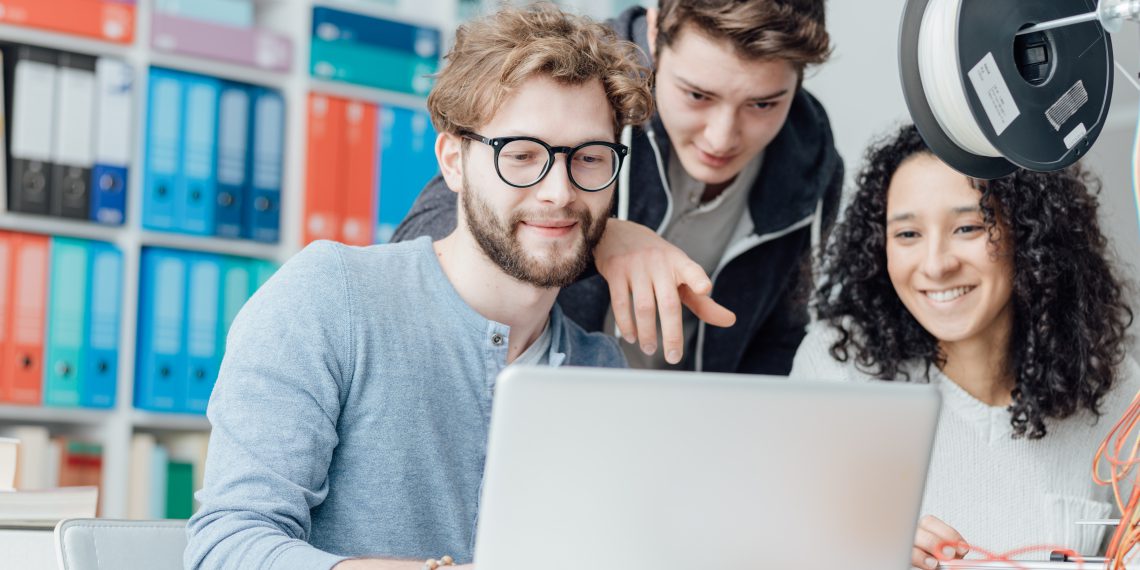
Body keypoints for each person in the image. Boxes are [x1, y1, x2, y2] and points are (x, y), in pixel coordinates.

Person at [184, 5, 653, 569]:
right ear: (453, 161)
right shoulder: (330, 298)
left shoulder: (600, 371)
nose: (559, 190)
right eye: (523, 156)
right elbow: (225, 548)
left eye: (589, 158)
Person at [393, 0, 841, 374]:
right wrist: (598, 235)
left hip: (686, 443)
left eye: (763, 104)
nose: (721, 137)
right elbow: (421, 247)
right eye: (697, 96)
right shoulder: (585, 85)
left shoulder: (811, 162)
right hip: (546, 415)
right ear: (653, 31)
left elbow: (776, 347)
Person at [790, 124, 1139, 568]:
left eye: (969, 227)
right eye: (907, 235)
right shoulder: (836, 369)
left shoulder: (1111, 387)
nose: (936, 264)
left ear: (1031, 236)